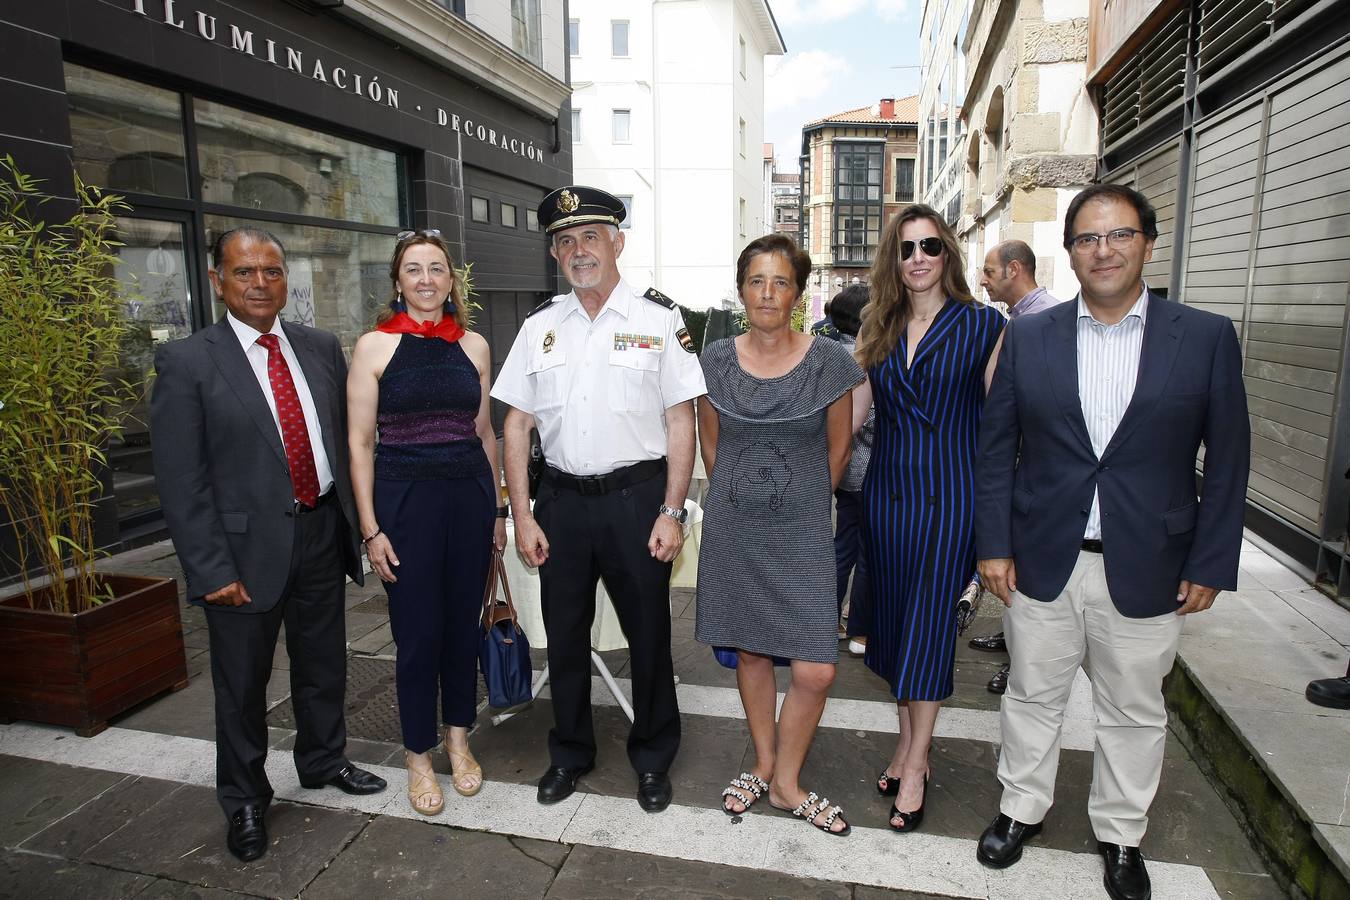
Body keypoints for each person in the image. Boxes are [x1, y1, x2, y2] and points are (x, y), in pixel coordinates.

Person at [974, 183, 1249, 900]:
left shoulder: (1206, 336)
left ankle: (1122, 834)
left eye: (1119, 235)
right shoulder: (1029, 336)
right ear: (1070, 254)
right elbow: (996, 445)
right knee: (1033, 696)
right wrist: (993, 544)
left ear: (1148, 244)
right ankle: (1020, 809)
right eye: (1088, 239)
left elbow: (1229, 459)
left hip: (1150, 562)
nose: (1104, 250)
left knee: (1133, 710)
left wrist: (1212, 559)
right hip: (1042, 559)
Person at [150, 227, 387, 864]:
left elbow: (342, 439)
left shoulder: (318, 348)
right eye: (245, 272)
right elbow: (181, 480)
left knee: (323, 666)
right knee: (242, 685)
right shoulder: (188, 362)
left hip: (318, 533)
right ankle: (247, 799)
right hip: (241, 554)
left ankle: (322, 760)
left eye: (272, 271)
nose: (260, 283)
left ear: (288, 279)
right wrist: (208, 568)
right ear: (217, 281)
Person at [491, 186, 706, 813]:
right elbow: (516, 426)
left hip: (637, 501)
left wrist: (673, 509)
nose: (578, 250)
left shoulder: (659, 321)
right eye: (565, 241)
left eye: (590, 237)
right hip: (560, 503)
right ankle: (570, 752)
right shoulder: (538, 328)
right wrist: (522, 512)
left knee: (649, 635)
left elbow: (680, 422)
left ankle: (653, 756)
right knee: (562, 637)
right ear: (555, 253)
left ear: (618, 242)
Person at [697, 235, 865, 837]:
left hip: (802, 529)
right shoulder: (713, 360)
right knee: (750, 648)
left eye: (781, 282)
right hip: (736, 526)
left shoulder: (830, 362)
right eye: (756, 281)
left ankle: (788, 783)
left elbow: (839, 448)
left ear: (798, 292)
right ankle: (767, 764)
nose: (768, 293)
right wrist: (745, 497)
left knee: (816, 668)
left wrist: (796, 501)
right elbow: (711, 444)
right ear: (741, 288)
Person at [854, 204, 1006, 832]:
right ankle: (905, 746)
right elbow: (854, 414)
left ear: (949, 255)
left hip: (950, 500)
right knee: (895, 630)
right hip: (887, 500)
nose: (918, 257)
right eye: (906, 248)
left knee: (927, 632)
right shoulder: (879, 327)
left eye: (931, 246)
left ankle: (916, 765)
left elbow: (1003, 428)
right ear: (894, 259)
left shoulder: (983, 326)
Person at [347, 229, 507, 816]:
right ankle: (418, 754)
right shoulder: (373, 348)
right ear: (397, 281)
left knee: (462, 629)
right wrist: (371, 528)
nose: (425, 279)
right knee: (416, 635)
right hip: (404, 503)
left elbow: (484, 433)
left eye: (436, 269)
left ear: (450, 280)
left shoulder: (475, 346)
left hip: (467, 497)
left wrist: (496, 511)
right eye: (413, 269)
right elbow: (361, 443)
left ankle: (458, 740)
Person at [973, 239, 1066, 693]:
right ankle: (1012, 638)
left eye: (989, 272)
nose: (983, 281)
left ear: (1014, 270)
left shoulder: (1045, 319)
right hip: (1010, 458)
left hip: (1031, 464)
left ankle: (1022, 657)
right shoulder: (1018, 318)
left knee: (1024, 560)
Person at [826, 284, 875, 655]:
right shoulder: (862, 359)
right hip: (869, 473)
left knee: (843, 547)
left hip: (845, 472)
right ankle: (859, 627)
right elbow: (866, 420)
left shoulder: (826, 354)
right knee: (866, 553)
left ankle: (828, 619)